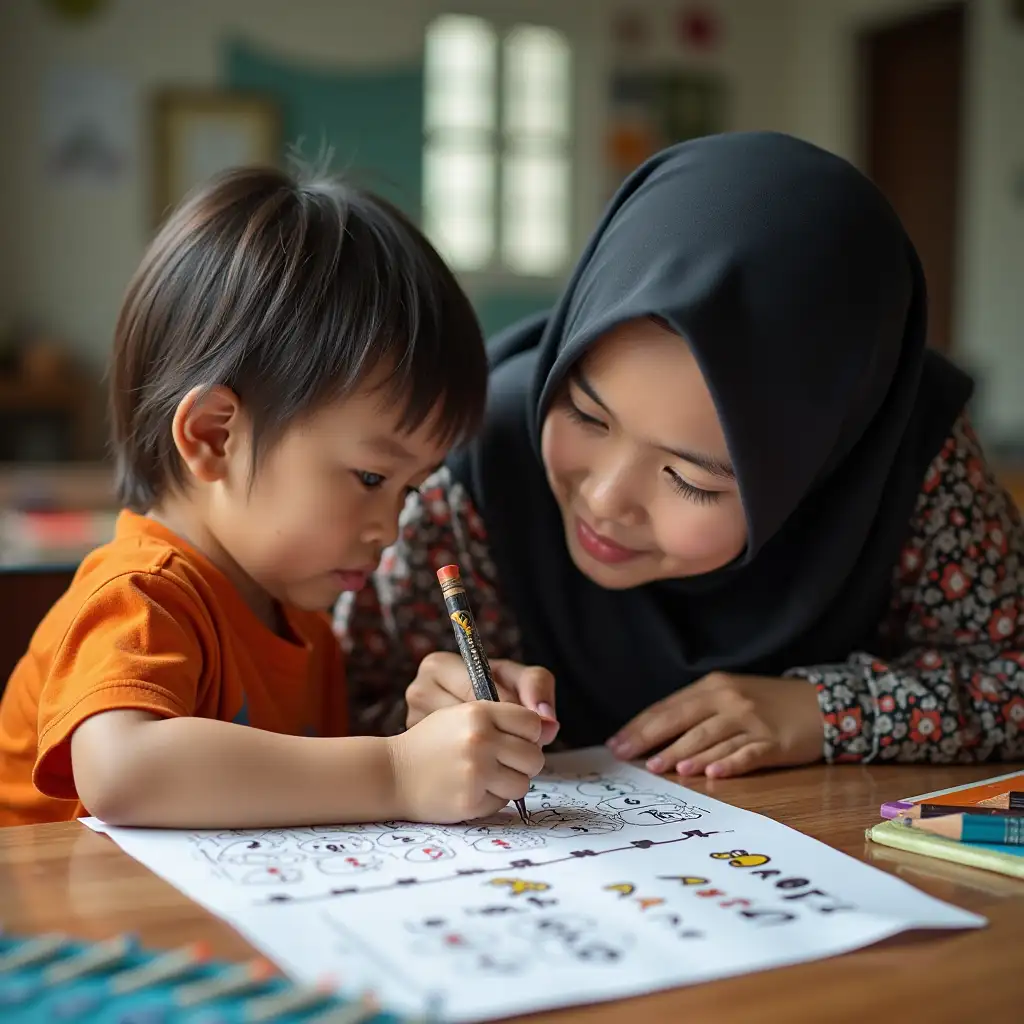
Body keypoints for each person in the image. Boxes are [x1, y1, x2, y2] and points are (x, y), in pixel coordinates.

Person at [337, 131, 1024, 780]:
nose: (606, 499)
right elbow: (342, 703)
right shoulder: (484, 454)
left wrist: (822, 711)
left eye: (689, 478)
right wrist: (422, 720)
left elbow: (1012, 675)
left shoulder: (903, 451)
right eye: (585, 413)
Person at [0, 167, 547, 828]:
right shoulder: (143, 594)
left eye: (410, 491)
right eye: (373, 479)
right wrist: (396, 770)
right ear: (214, 435)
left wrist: (435, 728)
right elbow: (122, 771)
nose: (390, 529)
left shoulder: (298, 616)